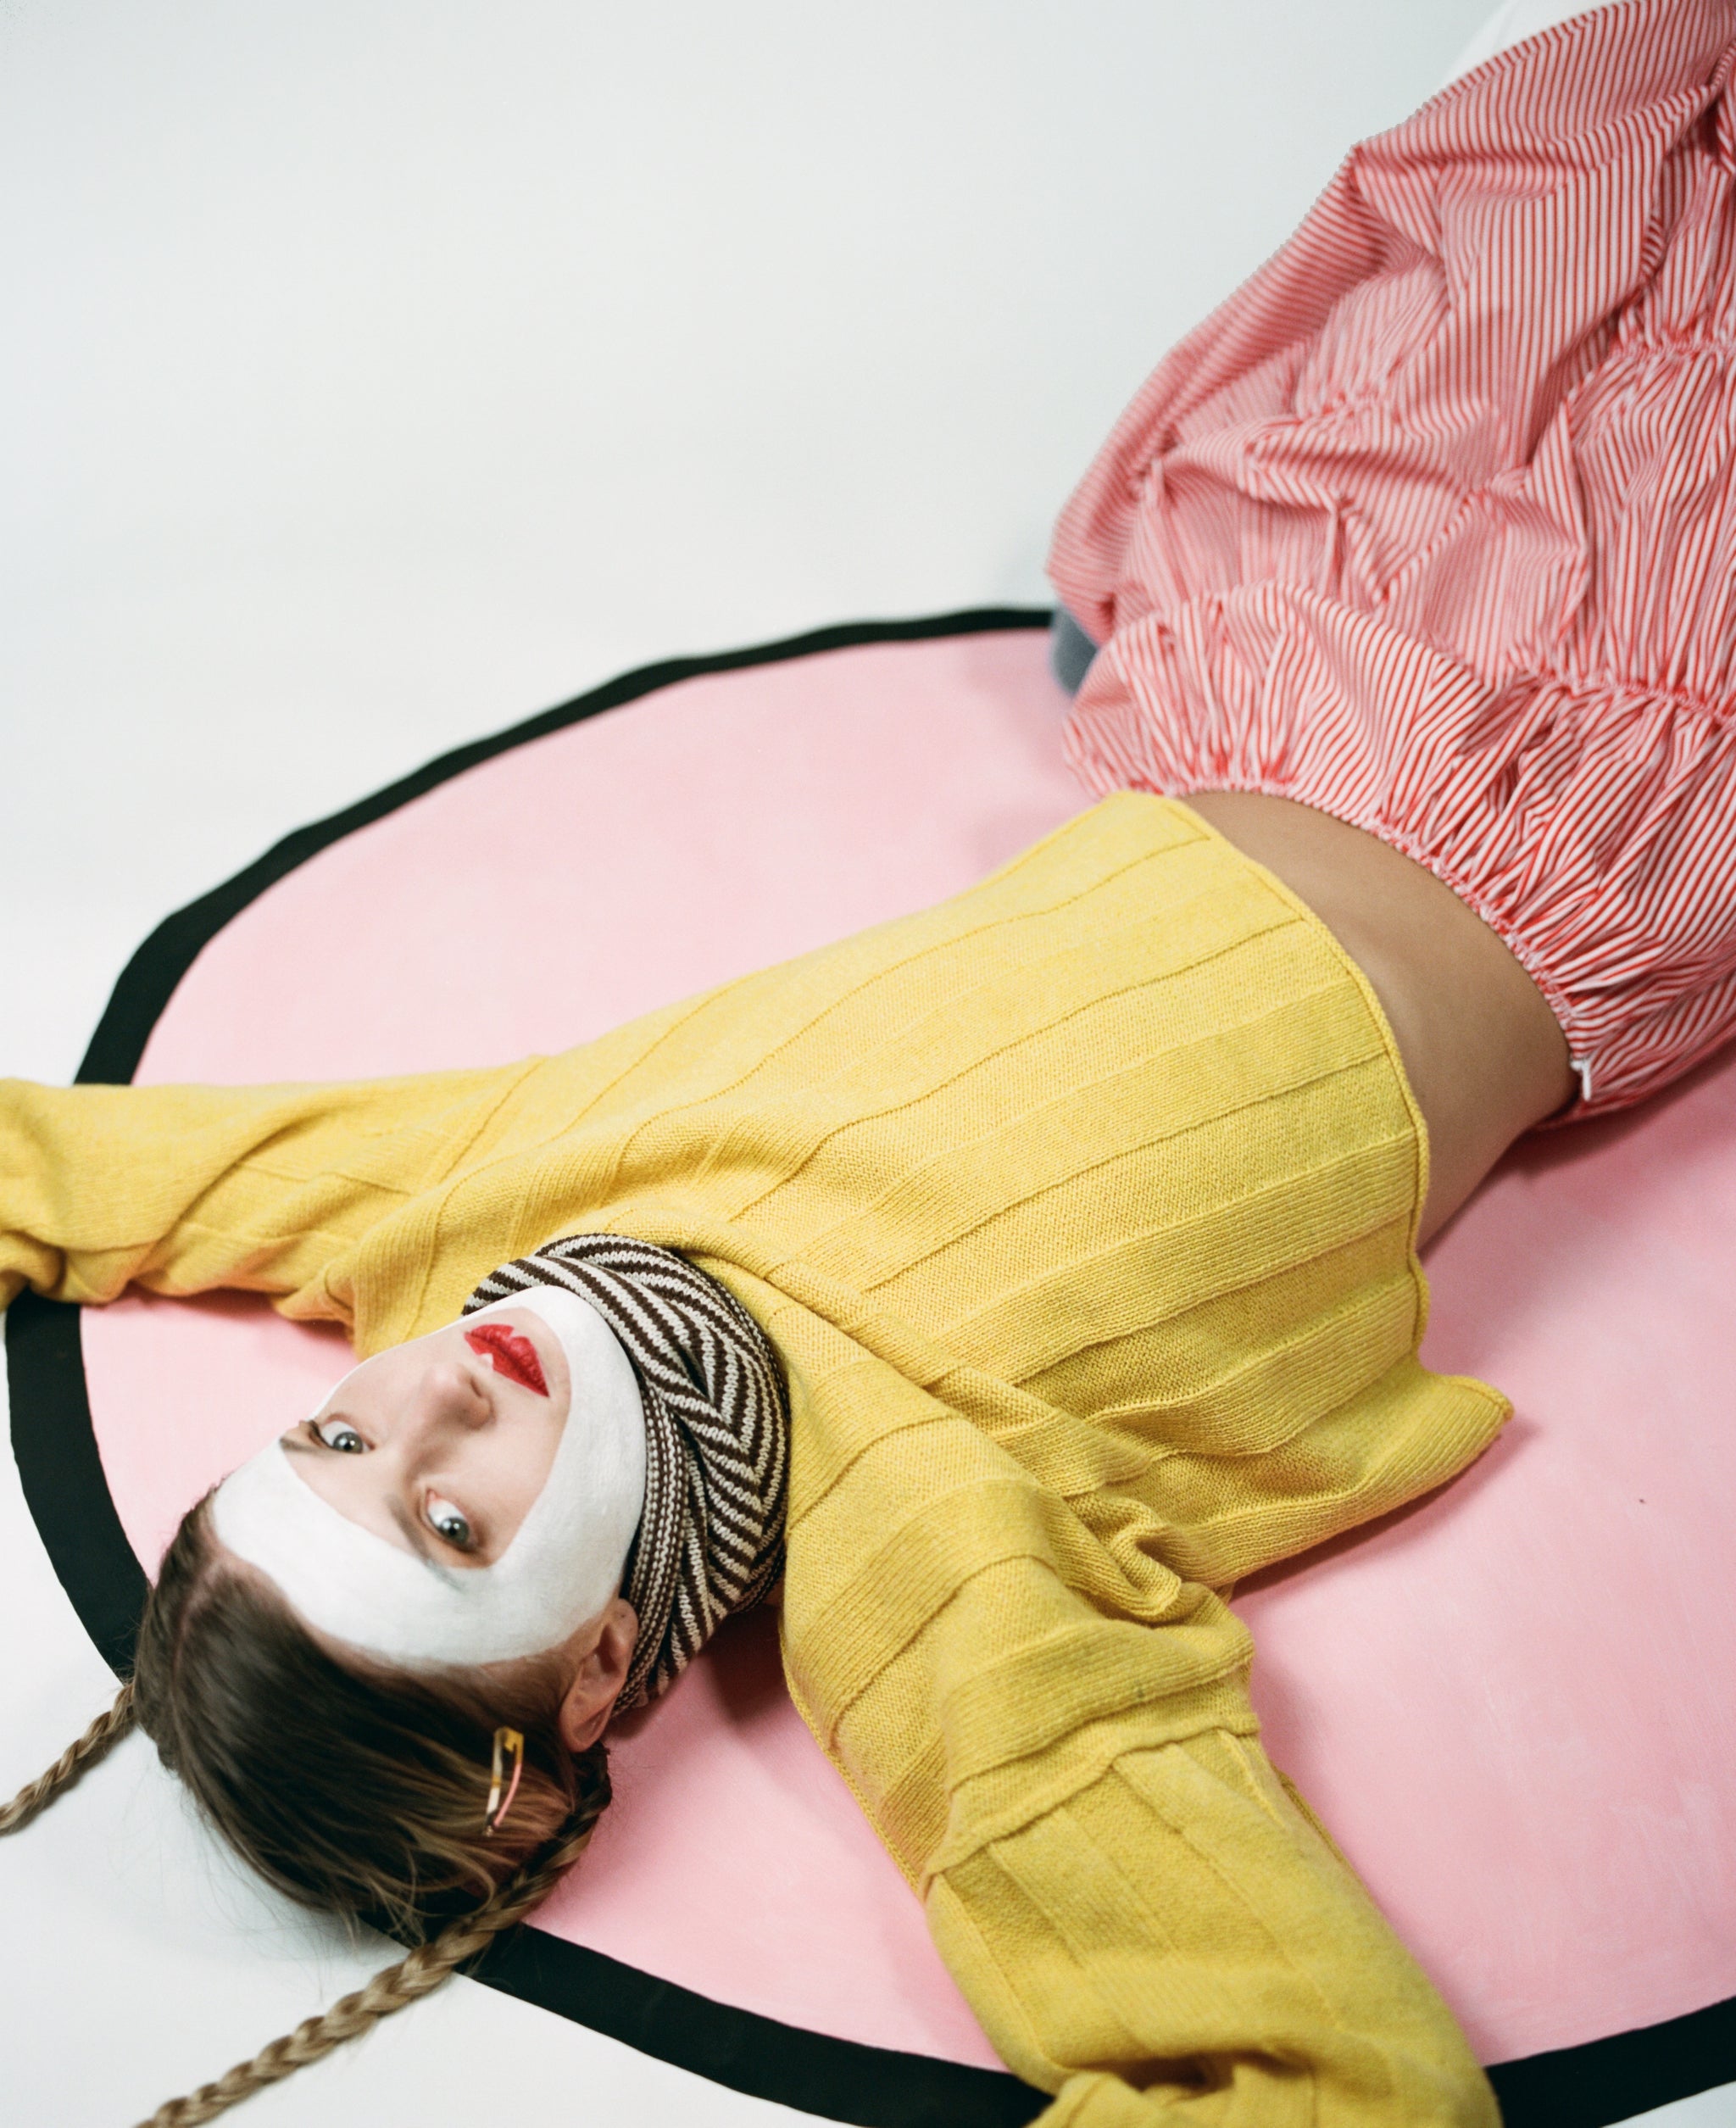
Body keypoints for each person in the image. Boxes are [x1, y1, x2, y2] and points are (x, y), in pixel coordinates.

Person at [5, 2, 1735, 2123]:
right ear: (607, 1669)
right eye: (458, 1534)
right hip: (1598, 797)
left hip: (1285, 683)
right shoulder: (925, 1564)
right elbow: (1310, 2072)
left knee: (1547, 161)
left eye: (347, 1446)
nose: (440, 1401)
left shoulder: (483, 1222)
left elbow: (101, 1175)